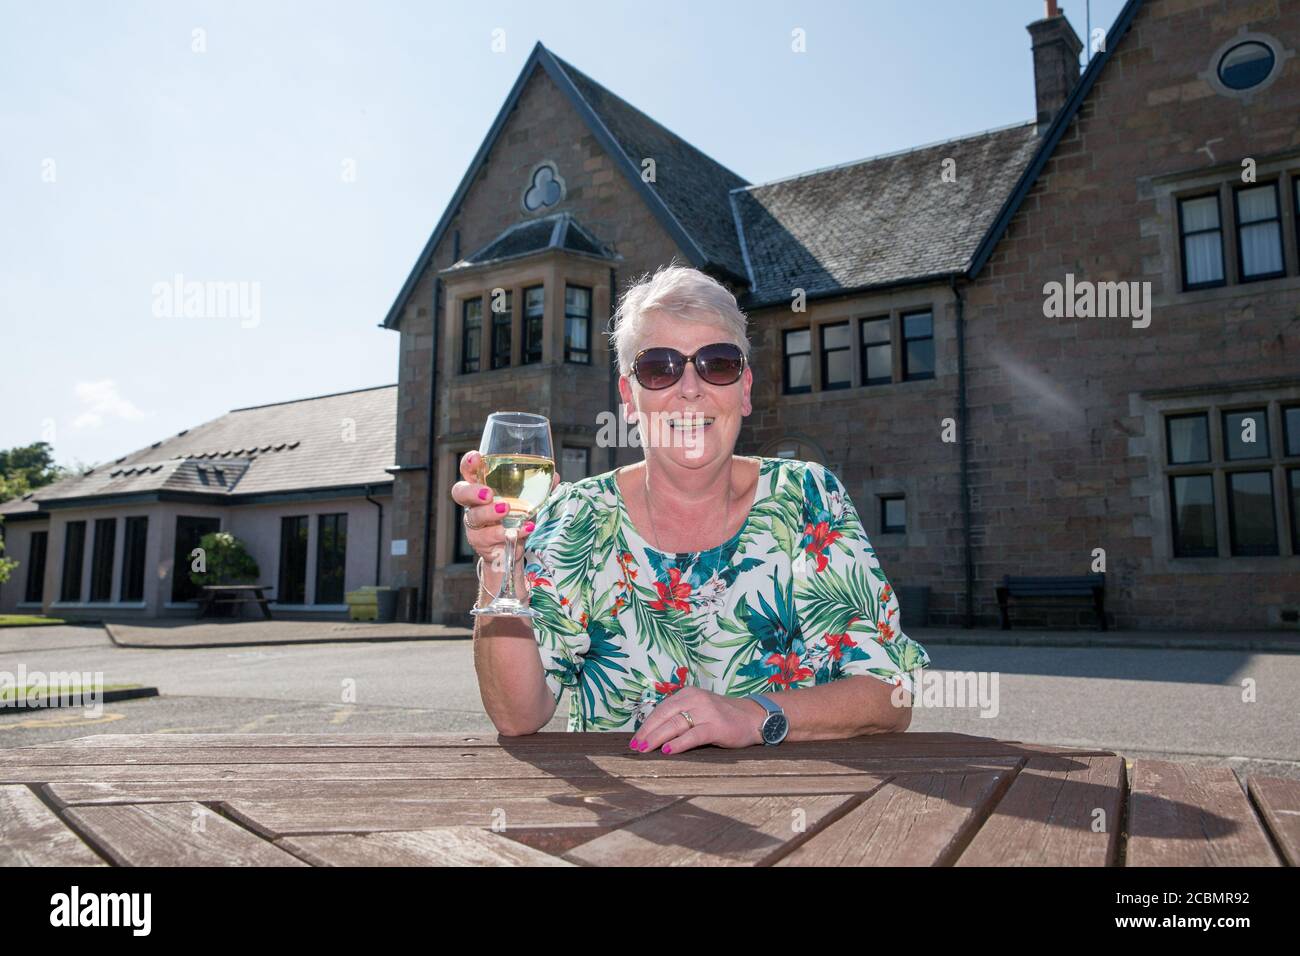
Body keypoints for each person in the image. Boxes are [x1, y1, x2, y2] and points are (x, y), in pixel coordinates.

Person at [451, 263, 931, 753]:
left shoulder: (807, 499)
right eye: (659, 367)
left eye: (716, 363)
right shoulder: (578, 516)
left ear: (744, 390)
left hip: (808, 804)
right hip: (631, 815)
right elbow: (517, 716)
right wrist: (497, 565)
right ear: (629, 399)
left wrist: (752, 715)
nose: (690, 388)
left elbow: (889, 697)